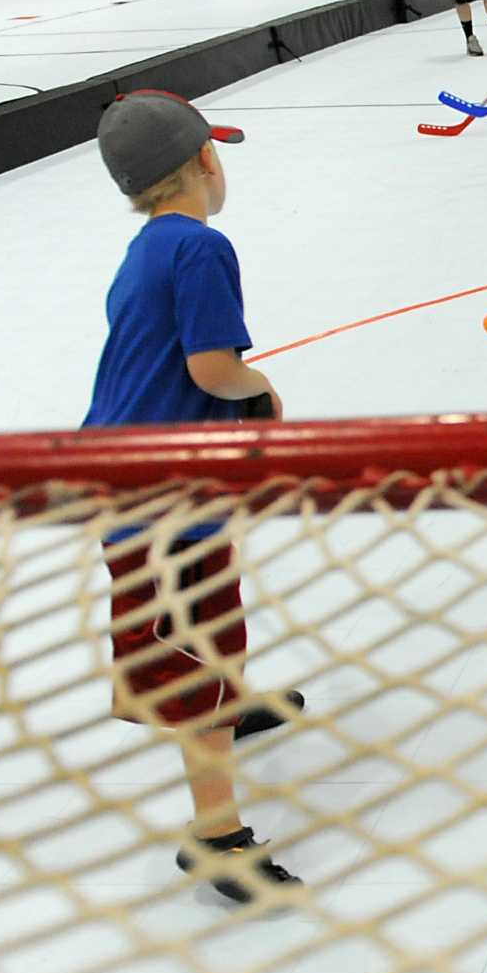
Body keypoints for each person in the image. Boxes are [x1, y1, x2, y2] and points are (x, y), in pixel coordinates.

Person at [84, 89, 306, 905]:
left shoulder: (147, 245)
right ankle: (216, 835)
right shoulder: (203, 250)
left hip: (148, 479)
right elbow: (211, 367)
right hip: (158, 495)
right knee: (193, 646)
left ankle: (226, 699)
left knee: (206, 624)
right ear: (205, 164)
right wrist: (263, 393)